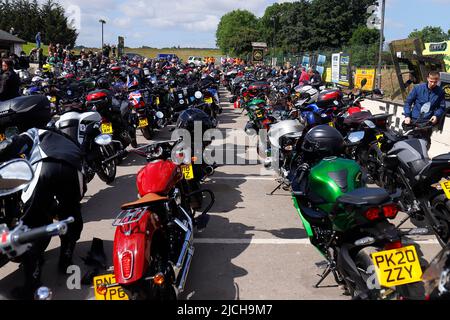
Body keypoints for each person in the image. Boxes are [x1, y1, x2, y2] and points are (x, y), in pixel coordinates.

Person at [0, 122, 84, 299]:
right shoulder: (66, 138)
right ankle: (66, 258)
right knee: (71, 215)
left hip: (44, 168)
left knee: (32, 225)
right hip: (72, 168)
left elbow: (11, 146)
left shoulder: (33, 132)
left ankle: (33, 282)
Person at [403, 71, 446, 148]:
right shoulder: (417, 88)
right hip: (414, 121)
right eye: (431, 81)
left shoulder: (440, 92)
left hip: (427, 123)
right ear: (427, 79)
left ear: (438, 80)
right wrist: (407, 116)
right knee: (410, 144)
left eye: (435, 82)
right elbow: (408, 103)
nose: (433, 84)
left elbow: (442, 107)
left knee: (425, 145)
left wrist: (436, 115)